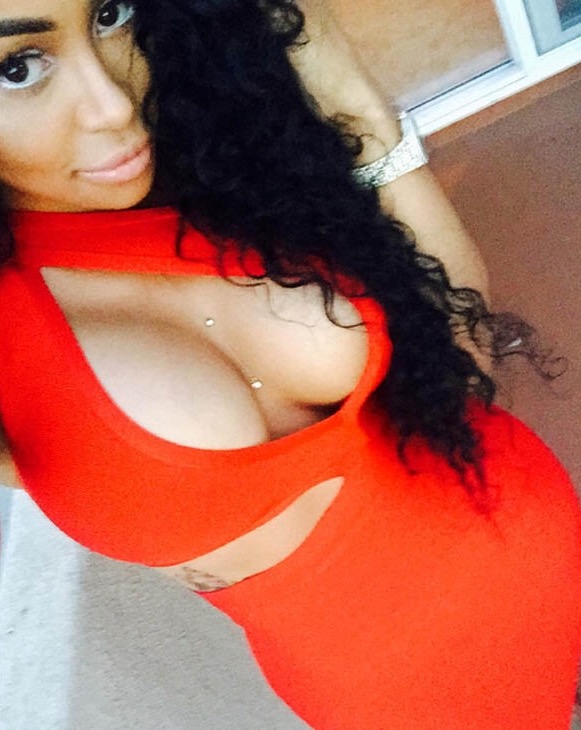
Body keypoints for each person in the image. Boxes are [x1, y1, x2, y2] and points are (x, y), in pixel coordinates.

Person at [1, 0, 580, 727]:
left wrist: (348, 97)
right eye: (16, 68)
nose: (114, 106)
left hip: (533, 533)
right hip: (397, 696)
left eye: (110, 15)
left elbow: (460, 346)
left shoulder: (231, 170)